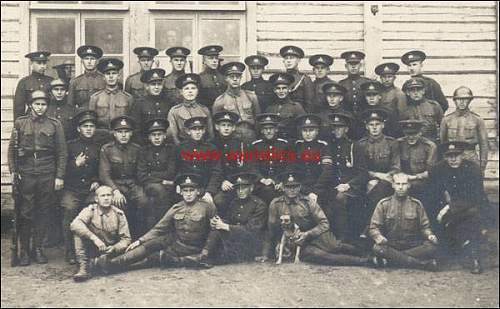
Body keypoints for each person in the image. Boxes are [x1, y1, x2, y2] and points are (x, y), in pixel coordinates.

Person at [97, 174, 217, 272]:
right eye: (185, 190)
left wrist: (205, 251)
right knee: (148, 246)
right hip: (178, 244)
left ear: (198, 191)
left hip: (195, 248)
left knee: (153, 258)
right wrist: (140, 240)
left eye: (192, 190)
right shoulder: (176, 207)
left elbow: (215, 230)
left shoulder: (207, 207)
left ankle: (112, 265)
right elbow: (159, 228)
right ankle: (110, 264)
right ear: (181, 192)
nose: (189, 194)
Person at [255, 171, 371, 266]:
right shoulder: (276, 204)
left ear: (300, 187)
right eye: (288, 187)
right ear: (283, 188)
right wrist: (269, 250)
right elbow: (271, 230)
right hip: (296, 241)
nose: (292, 190)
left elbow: (324, 223)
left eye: (295, 187)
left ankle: (364, 252)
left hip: (316, 234)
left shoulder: (308, 202)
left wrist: (307, 234)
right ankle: (364, 262)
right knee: (322, 255)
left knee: (335, 246)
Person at [8, 90, 67, 266]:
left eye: (43, 104)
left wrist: (59, 176)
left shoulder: (54, 125)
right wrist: (13, 171)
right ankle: (25, 250)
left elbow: (62, 152)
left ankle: (38, 248)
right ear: (30, 105)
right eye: (37, 104)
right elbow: (12, 150)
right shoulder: (20, 123)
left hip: (47, 172)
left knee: (43, 211)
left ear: (47, 106)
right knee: (26, 212)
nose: (40, 108)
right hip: (25, 172)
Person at [429, 141, 487, 274]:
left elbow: (476, 196)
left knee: (472, 218)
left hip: (468, 209)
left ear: (463, 155)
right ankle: (445, 253)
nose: (453, 159)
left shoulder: (472, 169)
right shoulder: (439, 169)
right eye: (449, 156)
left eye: (456, 155)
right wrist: (442, 207)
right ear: (444, 157)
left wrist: (450, 207)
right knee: (440, 222)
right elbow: (433, 193)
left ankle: (474, 257)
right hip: (444, 209)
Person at [369, 173, 439, 270]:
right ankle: (422, 264)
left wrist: (429, 235)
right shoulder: (383, 204)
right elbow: (374, 227)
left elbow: (424, 227)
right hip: (391, 245)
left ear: (409, 185)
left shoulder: (416, 204)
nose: (401, 187)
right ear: (393, 185)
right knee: (377, 248)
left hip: (411, 245)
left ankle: (392, 260)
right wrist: (378, 236)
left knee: (431, 247)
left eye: (404, 184)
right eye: (398, 184)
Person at [61, 110, 102, 265]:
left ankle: (91, 248)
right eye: (85, 126)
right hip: (72, 188)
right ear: (79, 128)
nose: (89, 129)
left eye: (92, 126)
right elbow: (61, 170)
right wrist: (75, 164)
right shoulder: (70, 146)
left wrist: (96, 180)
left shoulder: (99, 147)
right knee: (69, 209)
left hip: (90, 189)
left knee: (96, 209)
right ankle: (70, 251)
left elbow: (102, 168)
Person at [99, 115, 148, 238]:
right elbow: (104, 174)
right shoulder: (107, 149)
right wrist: (115, 191)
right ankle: (118, 238)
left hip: (133, 184)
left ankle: (139, 237)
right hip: (115, 185)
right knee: (118, 204)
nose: (124, 135)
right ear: (114, 134)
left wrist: (138, 187)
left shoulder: (137, 149)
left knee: (143, 201)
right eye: (120, 132)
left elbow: (140, 172)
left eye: (126, 132)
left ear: (131, 133)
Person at [353, 108, 400, 234]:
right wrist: (374, 177)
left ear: (383, 125)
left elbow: (396, 168)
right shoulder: (360, 144)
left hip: (387, 182)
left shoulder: (392, 143)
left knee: (381, 188)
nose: (374, 128)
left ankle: (369, 227)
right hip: (366, 181)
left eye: (377, 124)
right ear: (366, 126)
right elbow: (359, 169)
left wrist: (381, 179)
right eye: (371, 125)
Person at [70, 185, 131, 282]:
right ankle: (83, 267)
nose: (106, 198)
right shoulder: (90, 210)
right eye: (103, 196)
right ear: (96, 199)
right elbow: (74, 224)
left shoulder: (119, 214)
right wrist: (94, 239)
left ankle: (101, 264)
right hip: (92, 247)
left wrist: (115, 248)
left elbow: (126, 239)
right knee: (78, 232)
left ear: (112, 197)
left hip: (108, 250)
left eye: (109, 195)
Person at [205, 172, 267, 264]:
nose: (240, 191)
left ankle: (203, 257)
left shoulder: (259, 205)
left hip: (249, 245)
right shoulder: (234, 202)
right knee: (216, 230)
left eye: (244, 188)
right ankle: (204, 253)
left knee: (216, 257)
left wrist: (225, 226)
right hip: (234, 240)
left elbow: (251, 230)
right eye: (238, 188)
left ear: (251, 188)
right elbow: (229, 220)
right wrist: (217, 222)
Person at [325, 112, 368, 241]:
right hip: (334, 186)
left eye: (340, 127)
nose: (336, 130)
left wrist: (348, 185)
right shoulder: (329, 146)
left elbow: (363, 174)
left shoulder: (354, 146)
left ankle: (343, 237)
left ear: (346, 129)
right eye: (334, 127)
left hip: (352, 188)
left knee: (340, 198)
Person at [292, 114, 333, 226]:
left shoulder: (323, 146)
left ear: (317, 131)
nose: (308, 133)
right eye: (305, 130)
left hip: (320, 188)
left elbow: (327, 171)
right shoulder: (297, 146)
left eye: (311, 130)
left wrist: (315, 191)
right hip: (301, 187)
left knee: (324, 212)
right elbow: (292, 169)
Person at [137, 118, 176, 230]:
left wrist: (152, 174)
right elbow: (142, 175)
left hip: (168, 184)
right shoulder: (143, 151)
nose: (157, 137)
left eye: (160, 134)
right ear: (149, 137)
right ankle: (158, 229)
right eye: (154, 135)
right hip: (150, 185)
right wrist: (162, 180)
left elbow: (171, 172)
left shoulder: (171, 150)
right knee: (159, 191)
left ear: (165, 136)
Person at [440, 86, 489, 175]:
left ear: (469, 101)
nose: (462, 102)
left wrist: (482, 165)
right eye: (459, 99)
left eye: (465, 99)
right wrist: (445, 161)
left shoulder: (477, 120)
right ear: (454, 101)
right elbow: (442, 143)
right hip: (452, 158)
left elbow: (484, 144)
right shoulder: (447, 120)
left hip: (470, 157)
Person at [175, 116, 223, 207]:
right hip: (186, 187)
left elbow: (216, 171)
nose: (197, 132)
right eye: (194, 129)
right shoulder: (180, 148)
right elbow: (176, 169)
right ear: (188, 131)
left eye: (200, 129)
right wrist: (178, 184)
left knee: (214, 203)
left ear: (204, 131)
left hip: (204, 187)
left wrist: (210, 191)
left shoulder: (211, 148)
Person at [398, 120, 438, 223]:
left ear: (420, 132)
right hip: (401, 180)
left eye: (414, 134)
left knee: (428, 196)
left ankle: (427, 225)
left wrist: (414, 177)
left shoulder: (429, 146)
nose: (411, 137)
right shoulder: (398, 144)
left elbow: (431, 172)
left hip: (422, 181)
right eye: (408, 134)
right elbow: (395, 165)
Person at [213, 62, 261, 143]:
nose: (235, 79)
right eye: (232, 77)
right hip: (232, 138)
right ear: (226, 78)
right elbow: (217, 126)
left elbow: (258, 119)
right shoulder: (220, 101)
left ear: (241, 77)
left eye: (238, 76)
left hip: (251, 135)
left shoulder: (251, 96)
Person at [211, 111, 251, 209]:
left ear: (234, 128)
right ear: (217, 127)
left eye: (229, 125)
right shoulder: (211, 144)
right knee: (219, 200)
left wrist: (235, 181)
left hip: (238, 182)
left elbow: (245, 166)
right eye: (223, 125)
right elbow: (210, 168)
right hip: (219, 183)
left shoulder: (240, 144)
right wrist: (222, 181)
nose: (226, 128)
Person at [251, 113, 290, 204]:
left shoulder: (284, 145)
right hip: (261, 183)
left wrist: (279, 181)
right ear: (261, 131)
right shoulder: (255, 146)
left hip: (280, 182)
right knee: (267, 192)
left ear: (276, 129)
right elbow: (252, 167)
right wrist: (263, 179)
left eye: (271, 128)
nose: (268, 131)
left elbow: (289, 166)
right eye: (265, 129)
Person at [89, 58, 134, 134]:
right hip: (101, 137)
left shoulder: (127, 98)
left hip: (121, 136)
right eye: (108, 74)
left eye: (114, 73)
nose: (111, 76)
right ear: (103, 77)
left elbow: (131, 122)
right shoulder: (95, 98)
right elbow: (91, 122)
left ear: (119, 76)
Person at [167, 73, 214, 145]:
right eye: (186, 89)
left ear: (197, 91)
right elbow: (173, 136)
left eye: (193, 88)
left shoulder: (204, 110)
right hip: (183, 149)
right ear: (181, 92)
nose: (190, 91)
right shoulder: (174, 111)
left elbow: (210, 135)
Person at [130, 68, 173, 143]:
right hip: (145, 145)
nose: (156, 87)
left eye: (159, 84)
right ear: (147, 86)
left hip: (166, 145)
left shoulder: (169, 103)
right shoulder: (139, 104)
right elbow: (136, 130)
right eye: (153, 84)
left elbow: (172, 128)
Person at [265, 72, 306, 141]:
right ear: (274, 90)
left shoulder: (296, 107)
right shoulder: (270, 108)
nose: (281, 91)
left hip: (290, 143)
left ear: (289, 89)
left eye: (284, 88)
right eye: (278, 88)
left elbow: (302, 128)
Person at [14, 51, 53, 119]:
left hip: (48, 119)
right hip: (30, 119)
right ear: (31, 63)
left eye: (44, 63)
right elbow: (19, 107)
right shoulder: (24, 82)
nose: (42, 66)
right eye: (39, 63)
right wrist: (18, 125)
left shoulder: (51, 81)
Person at [402, 77, 444, 143]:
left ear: (423, 91)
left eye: (418, 90)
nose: (416, 93)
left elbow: (442, 125)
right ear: (407, 92)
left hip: (431, 142)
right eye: (412, 90)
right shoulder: (404, 108)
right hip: (411, 143)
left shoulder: (434, 106)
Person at [338, 51, 372, 130]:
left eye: (356, 64)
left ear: (360, 65)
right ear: (346, 66)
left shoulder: (367, 83)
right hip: (348, 123)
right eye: (350, 64)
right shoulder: (341, 84)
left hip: (364, 123)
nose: (353, 67)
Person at [67, 45, 105, 110]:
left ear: (97, 61)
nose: (89, 62)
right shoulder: (75, 82)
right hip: (82, 117)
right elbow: (70, 106)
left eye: (92, 59)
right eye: (86, 59)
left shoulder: (104, 80)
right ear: (82, 61)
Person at [279, 45, 314, 112]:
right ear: (283, 61)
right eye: (286, 58)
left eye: (292, 58)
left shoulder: (304, 79)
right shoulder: (280, 78)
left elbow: (309, 105)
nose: (288, 61)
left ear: (298, 60)